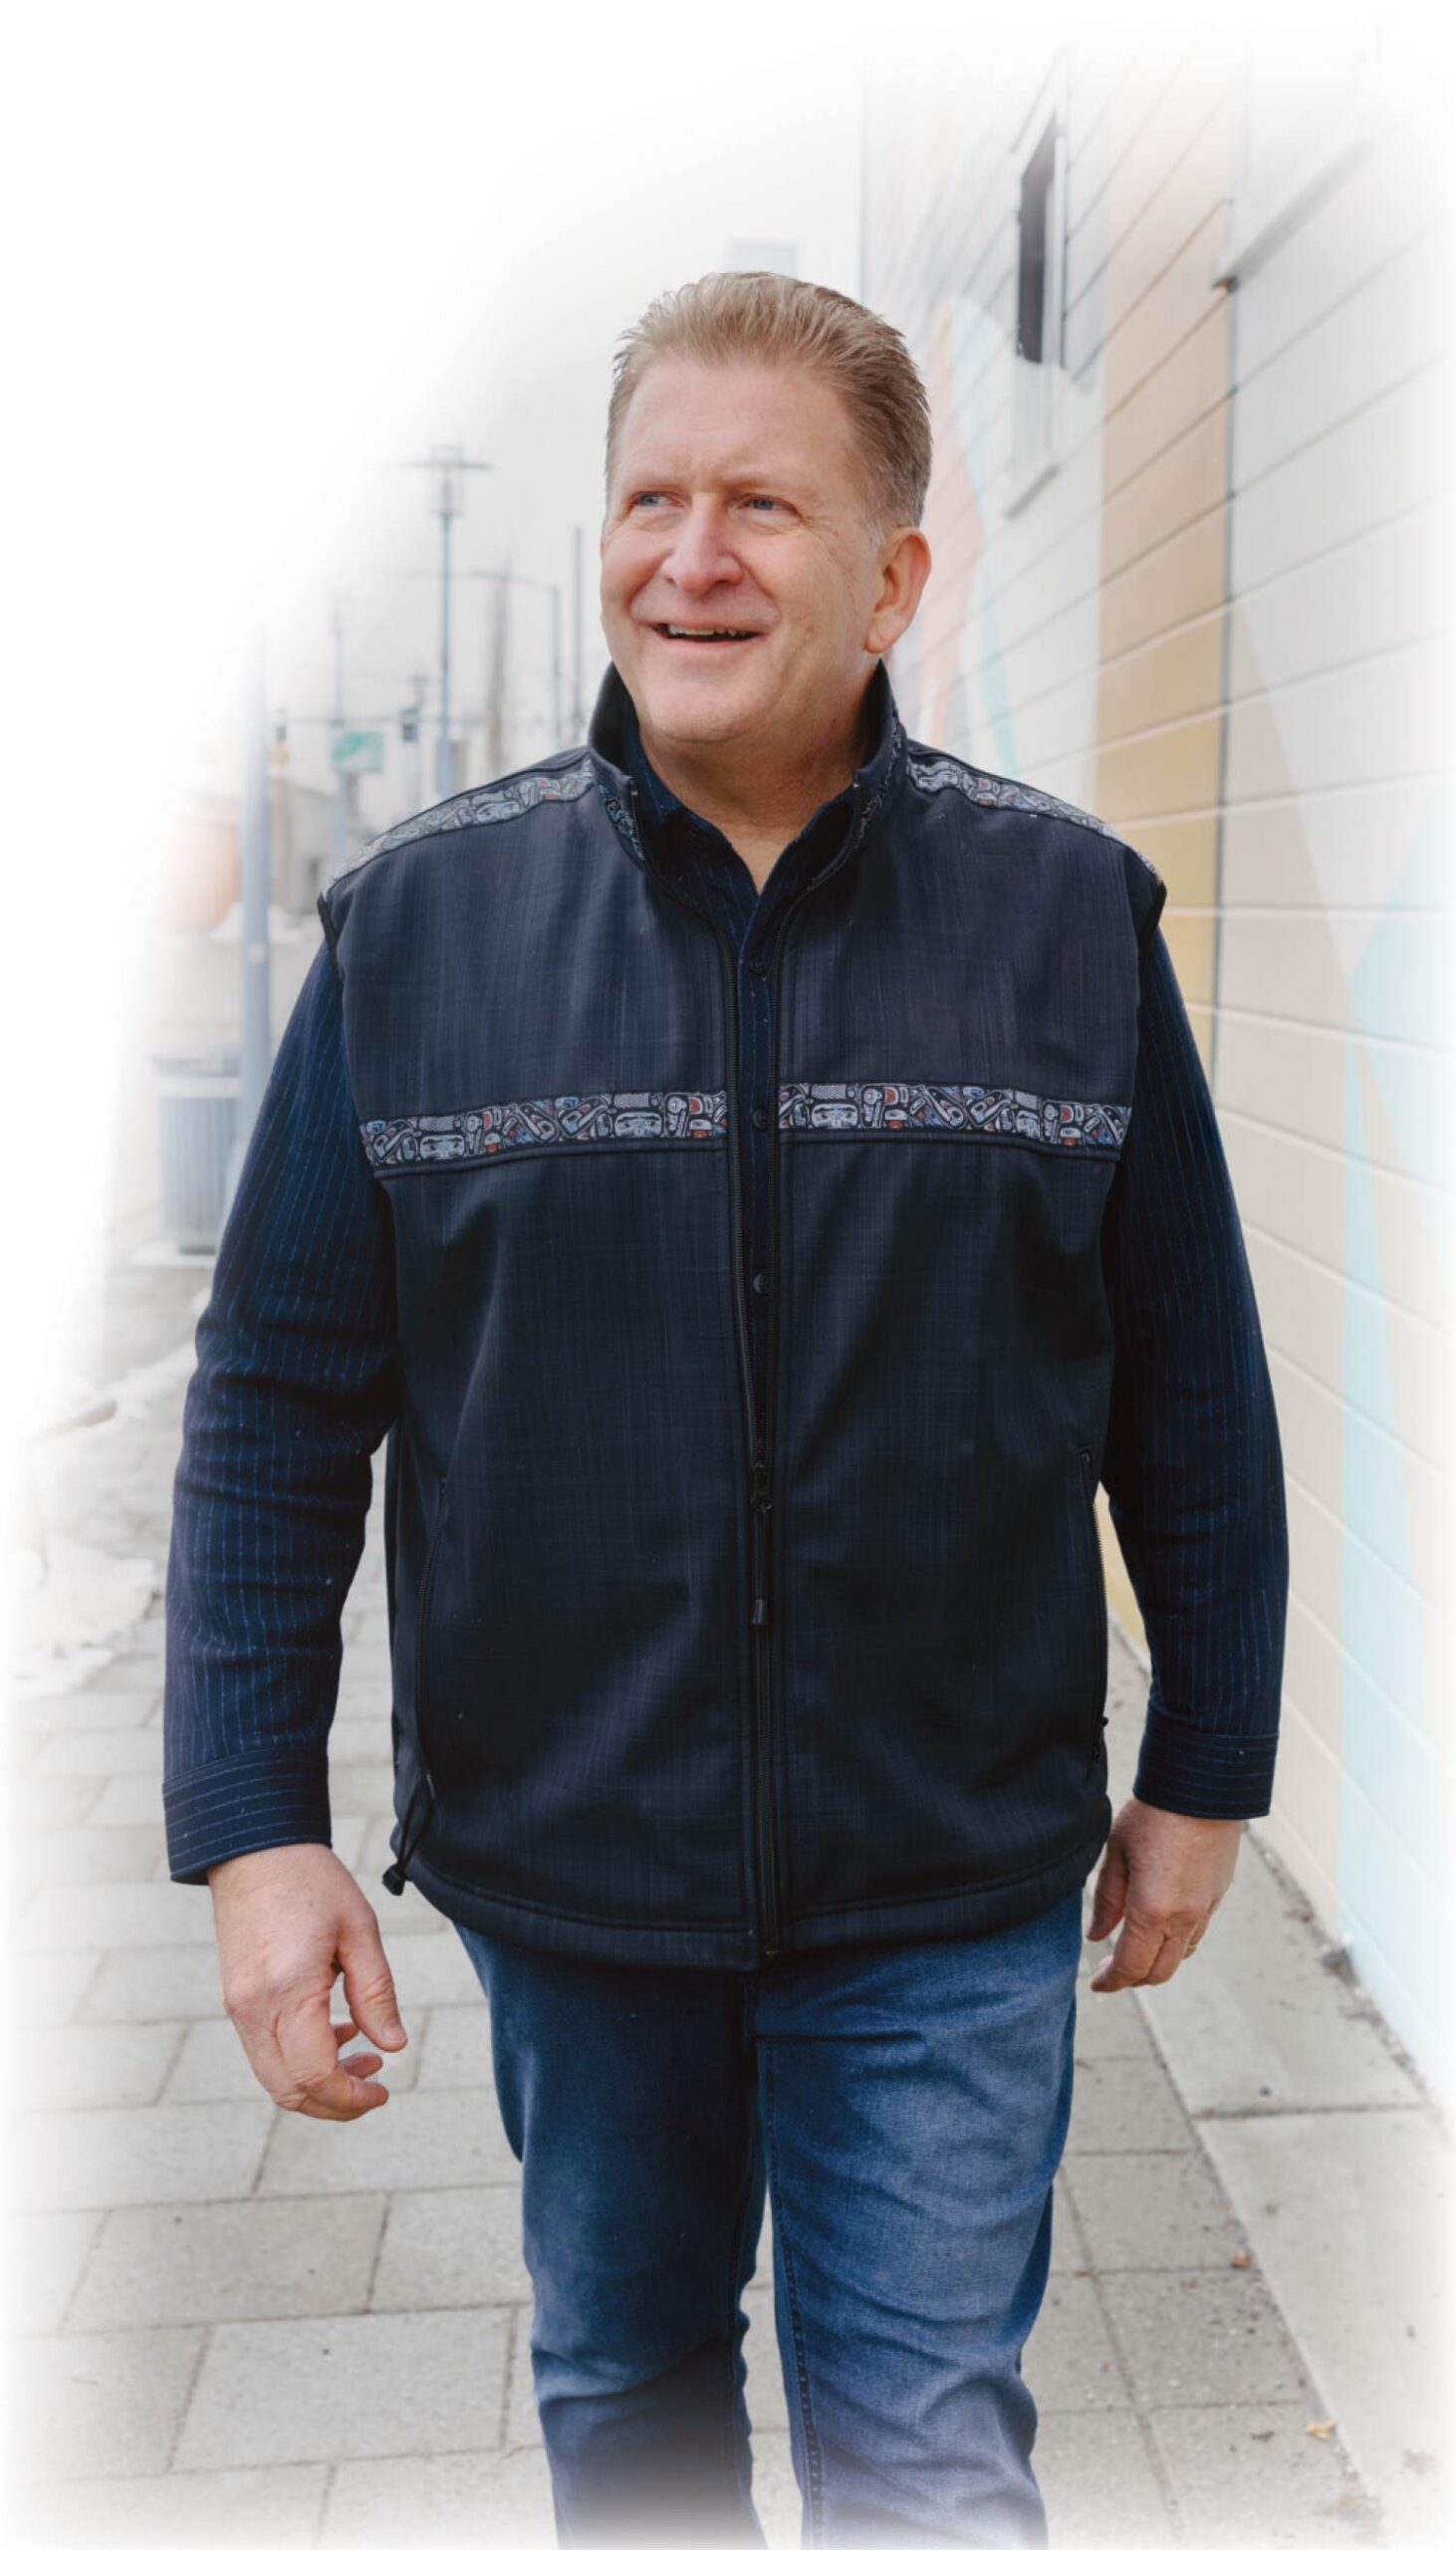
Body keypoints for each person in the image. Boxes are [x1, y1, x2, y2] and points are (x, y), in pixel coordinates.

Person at [163, 271, 1288, 2546]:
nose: (689, 555)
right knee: (631, 2403)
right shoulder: (416, 937)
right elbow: (276, 1396)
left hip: (948, 1881)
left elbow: (1185, 1372)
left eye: (761, 505)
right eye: (650, 497)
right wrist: (253, 1829)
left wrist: (1205, 1766)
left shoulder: (1065, 925)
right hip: (575, 1879)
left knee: (924, 2449)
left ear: (890, 577)